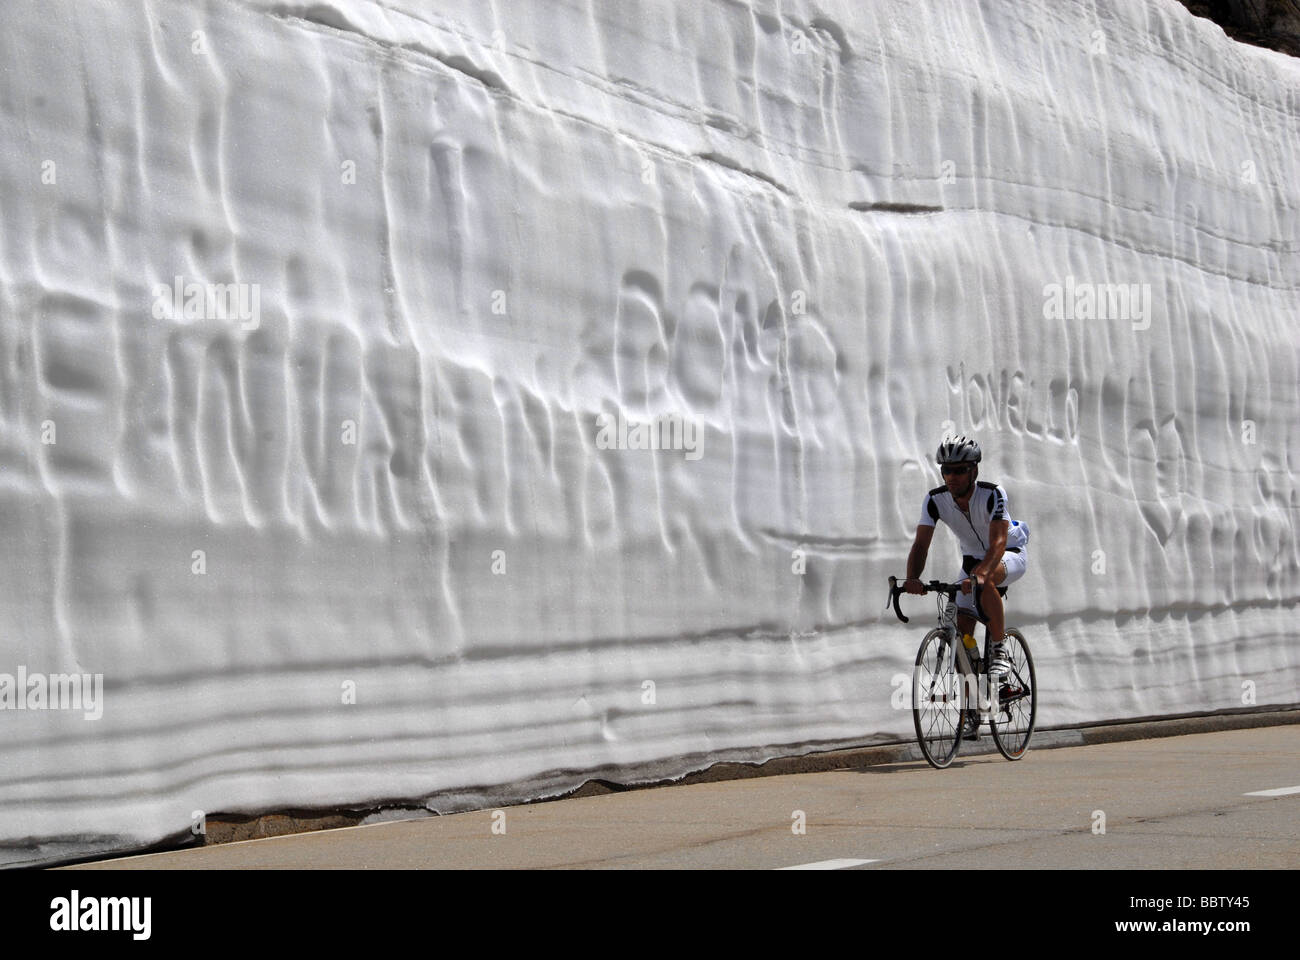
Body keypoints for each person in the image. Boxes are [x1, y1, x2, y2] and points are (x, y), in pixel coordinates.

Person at [903, 436, 1029, 735]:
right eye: (946, 470)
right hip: (971, 561)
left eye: (958, 470)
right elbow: (921, 543)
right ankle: (974, 707)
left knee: (985, 584)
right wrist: (911, 578)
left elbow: (998, 541)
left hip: (1007, 555)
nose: (951, 477)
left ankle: (1000, 649)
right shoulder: (935, 500)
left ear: (973, 470)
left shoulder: (992, 494)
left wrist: (983, 573)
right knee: (962, 635)